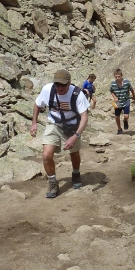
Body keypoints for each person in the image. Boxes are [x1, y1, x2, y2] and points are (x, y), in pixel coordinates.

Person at [31, 69, 90, 198]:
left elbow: (84, 117)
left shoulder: (77, 94)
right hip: (54, 123)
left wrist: (76, 136)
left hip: (72, 126)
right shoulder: (48, 89)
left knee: (74, 153)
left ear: (69, 83)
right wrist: (34, 123)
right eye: (57, 84)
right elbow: (37, 104)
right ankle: (53, 182)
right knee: (46, 155)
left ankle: (76, 173)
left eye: (63, 85)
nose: (60, 87)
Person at [109, 68, 135, 135]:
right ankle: (119, 129)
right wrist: (115, 97)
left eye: (119, 76)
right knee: (117, 116)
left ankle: (125, 121)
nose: (117, 78)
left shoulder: (127, 82)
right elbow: (111, 91)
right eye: (116, 77)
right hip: (118, 102)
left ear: (121, 75)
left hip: (126, 101)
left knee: (126, 116)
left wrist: (134, 97)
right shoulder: (113, 84)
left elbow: (131, 89)